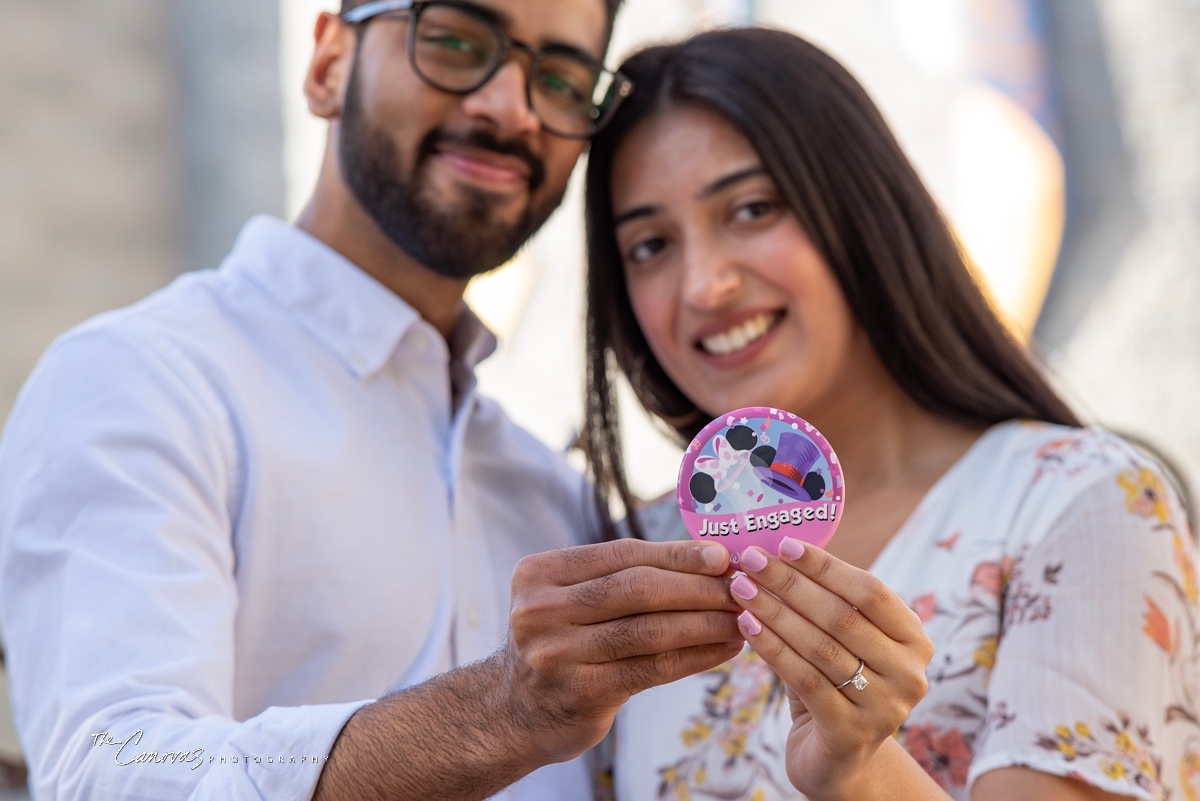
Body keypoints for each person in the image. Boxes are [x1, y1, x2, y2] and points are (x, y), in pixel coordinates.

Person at [0, 2, 749, 799]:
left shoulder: (552, 496)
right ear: (327, 64)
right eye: (456, 41)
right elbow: (116, 768)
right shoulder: (141, 381)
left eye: (561, 79)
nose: (511, 107)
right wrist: (497, 712)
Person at [580, 28, 1200, 801]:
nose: (703, 283)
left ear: (861, 208)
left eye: (751, 207)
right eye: (649, 245)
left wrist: (862, 770)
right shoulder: (636, 562)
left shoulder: (1081, 502)